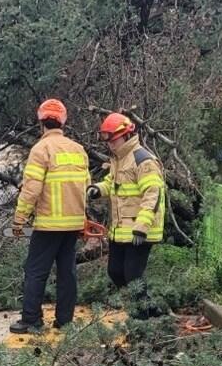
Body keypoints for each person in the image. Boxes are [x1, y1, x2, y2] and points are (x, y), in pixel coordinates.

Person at [10, 98, 90, 335]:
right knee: (67, 272)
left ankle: (31, 320)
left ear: (41, 122)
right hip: (72, 223)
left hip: (48, 224)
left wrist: (20, 219)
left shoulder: (40, 149)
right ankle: (64, 320)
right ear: (63, 122)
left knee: (35, 271)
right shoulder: (78, 150)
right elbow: (86, 186)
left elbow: (32, 189)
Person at [90, 112, 166, 292]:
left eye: (113, 140)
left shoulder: (143, 160)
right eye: (107, 141)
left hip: (139, 230)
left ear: (126, 135)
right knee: (115, 271)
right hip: (121, 228)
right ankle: (150, 308)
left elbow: (153, 194)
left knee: (133, 276)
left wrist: (142, 226)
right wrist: (98, 189)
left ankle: (143, 316)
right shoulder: (119, 159)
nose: (110, 145)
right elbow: (112, 182)